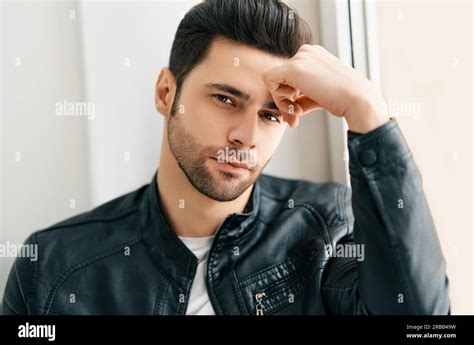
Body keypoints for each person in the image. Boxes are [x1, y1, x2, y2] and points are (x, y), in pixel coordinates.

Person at [3, 0, 449, 315]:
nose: (245, 136)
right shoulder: (55, 264)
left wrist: (366, 111)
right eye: (225, 99)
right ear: (165, 93)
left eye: (271, 115)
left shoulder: (327, 228)